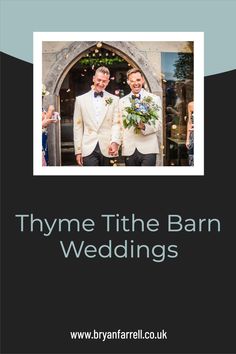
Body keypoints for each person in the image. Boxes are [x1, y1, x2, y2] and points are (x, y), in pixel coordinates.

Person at [73, 66, 121, 166]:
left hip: (108, 147)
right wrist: (78, 151)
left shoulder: (114, 100)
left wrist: (115, 142)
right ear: (94, 79)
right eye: (99, 80)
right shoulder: (80, 100)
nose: (101, 83)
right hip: (88, 147)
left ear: (108, 82)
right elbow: (77, 127)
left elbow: (116, 124)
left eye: (104, 81)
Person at [119, 68, 162, 166]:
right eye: (132, 81)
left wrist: (143, 126)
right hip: (129, 149)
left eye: (138, 80)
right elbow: (120, 125)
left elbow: (158, 124)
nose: (135, 83)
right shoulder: (122, 101)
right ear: (128, 82)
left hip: (148, 148)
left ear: (142, 80)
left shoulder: (154, 99)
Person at [186, 101, 194, 166]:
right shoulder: (191, 105)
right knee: (192, 158)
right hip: (193, 136)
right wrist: (187, 139)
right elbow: (189, 122)